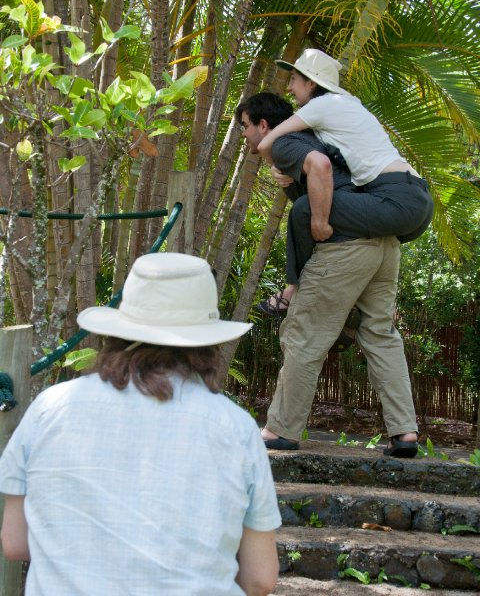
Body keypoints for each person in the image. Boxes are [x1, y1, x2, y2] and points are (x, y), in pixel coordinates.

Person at [0, 252, 281, 596]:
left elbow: (15, 543)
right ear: (207, 341)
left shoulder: (50, 408)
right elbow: (260, 578)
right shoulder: (235, 427)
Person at [236, 91, 419, 458]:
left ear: (263, 125)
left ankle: (279, 431)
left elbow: (318, 167)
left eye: (244, 126)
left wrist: (319, 222)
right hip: (383, 245)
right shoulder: (322, 135)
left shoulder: (287, 142)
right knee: (380, 333)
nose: (244, 135)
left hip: (346, 249)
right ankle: (405, 434)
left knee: (303, 335)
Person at [256, 48, 434, 314]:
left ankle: (293, 290)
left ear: (311, 82)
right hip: (418, 203)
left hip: (394, 200)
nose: (290, 88)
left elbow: (266, 143)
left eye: (293, 79)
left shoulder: (321, 105)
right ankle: (350, 309)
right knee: (378, 327)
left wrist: (275, 167)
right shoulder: (350, 104)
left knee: (305, 210)